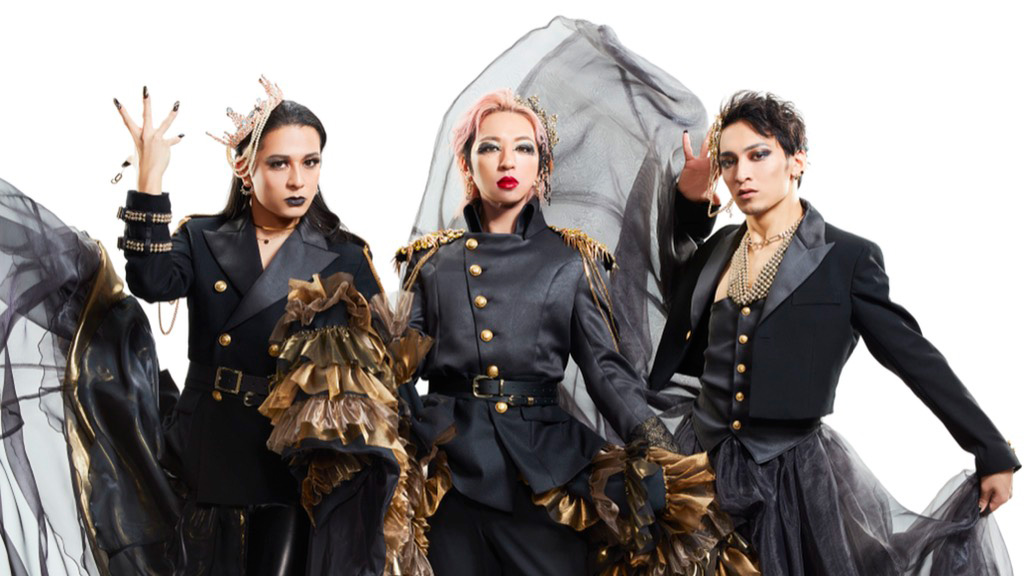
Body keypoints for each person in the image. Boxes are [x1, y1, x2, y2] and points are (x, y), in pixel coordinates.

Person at [649, 90, 1019, 575]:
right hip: (696, 460)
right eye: (730, 161)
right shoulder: (719, 248)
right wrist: (690, 204)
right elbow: (665, 284)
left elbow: (912, 356)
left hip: (790, 480)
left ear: (796, 161)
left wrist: (990, 447)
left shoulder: (848, 259)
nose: (741, 174)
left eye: (759, 155)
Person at [397, 88, 757, 576]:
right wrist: (416, 426)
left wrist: (658, 448)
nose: (507, 161)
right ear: (466, 163)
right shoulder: (432, 261)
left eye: (524, 148)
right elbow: (399, 365)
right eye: (489, 147)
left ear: (542, 166)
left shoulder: (569, 260)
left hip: (546, 467)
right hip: (454, 469)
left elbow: (605, 371)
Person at [113, 77, 383, 575]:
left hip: (290, 463)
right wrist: (150, 178)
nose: (298, 180)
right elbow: (150, 280)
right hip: (205, 448)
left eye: (310, 162)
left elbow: (378, 367)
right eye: (279, 163)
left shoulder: (345, 255)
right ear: (244, 168)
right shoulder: (202, 236)